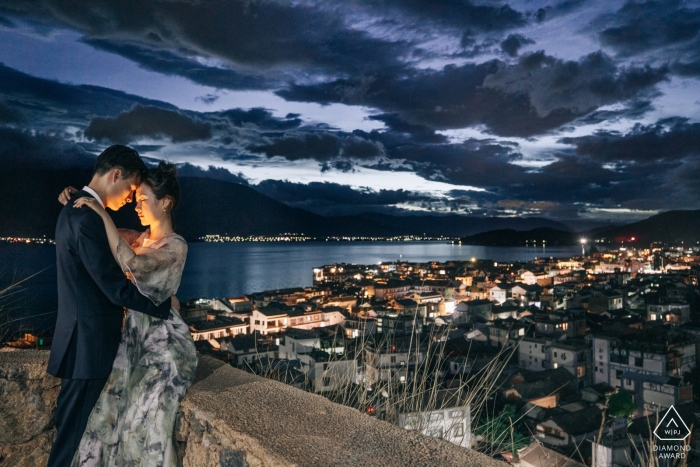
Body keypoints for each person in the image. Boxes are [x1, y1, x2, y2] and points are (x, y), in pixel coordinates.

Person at [61, 161, 197, 466]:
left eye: (143, 200)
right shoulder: (139, 237)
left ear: (165, 203)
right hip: (134, 337)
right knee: (107, 419)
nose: (136, 206)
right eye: (135, 201)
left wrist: (99, 211)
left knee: (145, 421)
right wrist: (79, 200)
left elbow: (132, 263)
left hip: (163, 343)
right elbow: (97, 235)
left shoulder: (176, 246)